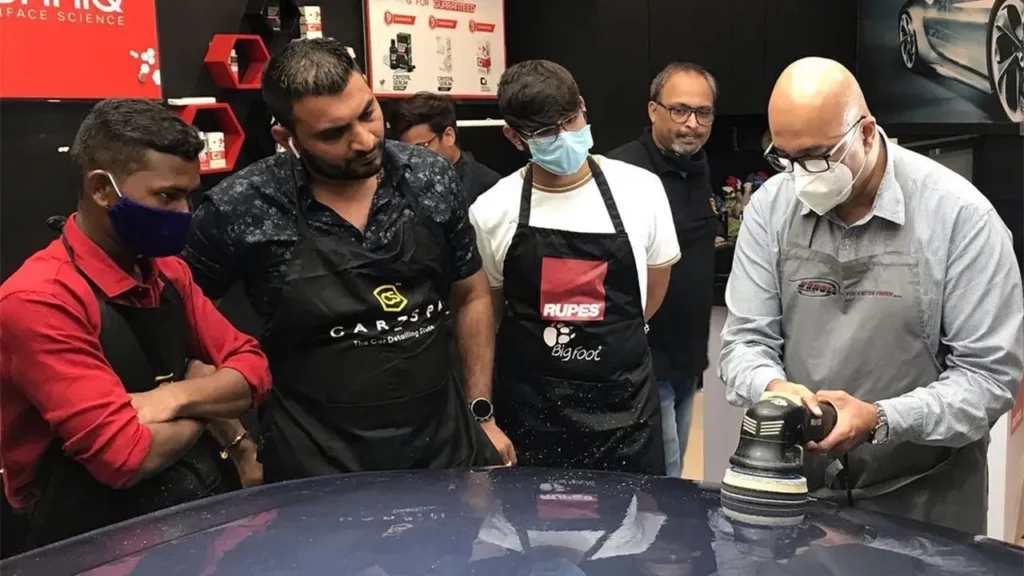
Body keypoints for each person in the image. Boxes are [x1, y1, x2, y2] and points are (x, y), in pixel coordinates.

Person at [719, 57, 1024, 534]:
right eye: (787, 159)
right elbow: (743, 343)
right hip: (801, 494)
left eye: (819, 157)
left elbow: (990, 379)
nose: (802, 176)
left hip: (924, 500)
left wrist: (882, 418)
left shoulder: (961, 220)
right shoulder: (771, 209)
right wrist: (773, 388)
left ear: (865, 132)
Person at [184, 38, 507, 481]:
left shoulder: (430, 177)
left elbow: (470, 296)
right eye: (333, 133)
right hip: (315, 466)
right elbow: (186, 335)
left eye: (368, 113)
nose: (363, 141)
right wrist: (239, 447)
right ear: (287, 137)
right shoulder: (240, 208)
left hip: (442, 451)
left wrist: (481, 413)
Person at [0, 98, 271, 553]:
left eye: (190, 194)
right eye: (167, 196)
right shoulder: (40, 299)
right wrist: (209, 407)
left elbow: (254, 369)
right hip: (81, 537)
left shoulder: (168, 272)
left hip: (182, 511)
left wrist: (173, 397)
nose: (185, 212)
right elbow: (124, 457)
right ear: (102, 190)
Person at [470, 60, 681, 475]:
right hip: (534, 415)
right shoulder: (492, 210)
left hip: (625, 413)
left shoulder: (640, 190)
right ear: (514, 137)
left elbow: (651, 294)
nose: (564, 137)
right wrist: (484, 417)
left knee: (633, 538)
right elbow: (488, 319)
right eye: (545, 132)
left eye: (571, 120)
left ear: (583, 107)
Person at [607, 62, 719, 478]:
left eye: (703, 113)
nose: (692, 124)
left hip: (688, 357)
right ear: (653, 110)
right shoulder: (623, 173)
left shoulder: (699, 167)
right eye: (680, 111)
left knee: (677, 476)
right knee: (663, 481)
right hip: (643, 363)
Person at [387, 91, 502, 205]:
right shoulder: (401, 185)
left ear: (448, 136)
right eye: (406, 151)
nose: (413, 160)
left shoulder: (489, 186)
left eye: (421, 148)